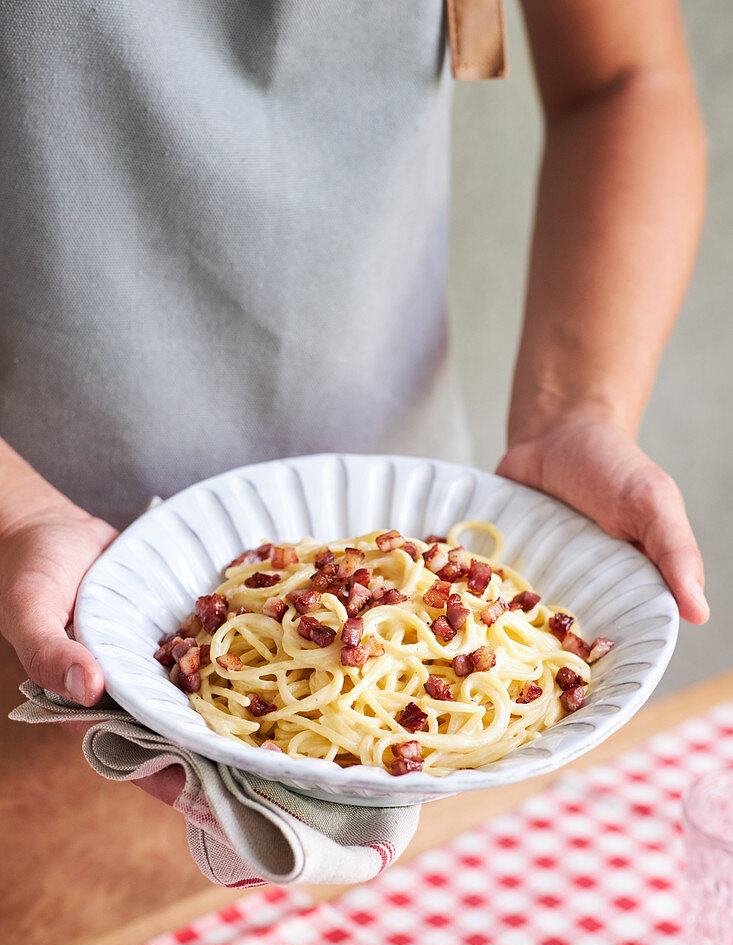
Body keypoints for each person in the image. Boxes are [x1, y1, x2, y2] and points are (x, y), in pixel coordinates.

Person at [0, 0, 708, 726]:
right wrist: (17, 518)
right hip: (46, 578)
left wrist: (575, 412)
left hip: (432, 563)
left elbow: (621, 79)